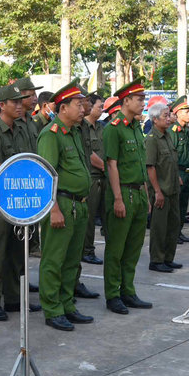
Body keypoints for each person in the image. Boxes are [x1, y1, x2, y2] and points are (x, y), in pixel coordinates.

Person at [37, 81, 94, 331]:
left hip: (78, 204)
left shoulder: (74, 132)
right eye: (78, 105)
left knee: (72, 260)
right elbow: (45, 175)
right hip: (61, 203)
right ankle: (52, 309)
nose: (83, 109)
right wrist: (53, 209)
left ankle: (67, 304)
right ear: (63, 108)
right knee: (54, 259)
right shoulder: (51, 135)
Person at [0, 85, 40, 321]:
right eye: (14, 102)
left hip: (21, 201)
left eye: (20, 101)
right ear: (1, 105)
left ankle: (14, 298)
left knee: (18, 253)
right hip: (0, 202)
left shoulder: (22, 130)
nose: (19, 105)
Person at [102, 78, 152, 314]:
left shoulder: (135, 128)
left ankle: (128, 291)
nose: (143, 103)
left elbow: (140, 165)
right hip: (123, 193)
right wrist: (118, 199)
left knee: (133, 247)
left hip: (139, 193)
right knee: (116, 248)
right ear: (126, 101)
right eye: (139, 99)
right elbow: (111, 165)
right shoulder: (114, 128)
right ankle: (113, 295)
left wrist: (146, 196)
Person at [145, 102, 182, 273]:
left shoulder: (167, 136)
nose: (169, 119)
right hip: (162, 191)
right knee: (159, 228)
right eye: (165, 116)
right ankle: (157, 260)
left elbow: (170, 162)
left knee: (173, 226)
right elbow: (150, 167)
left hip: (172, 189)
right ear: (155, 119)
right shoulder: (152, 139)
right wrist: (157, 191)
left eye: (169, 115)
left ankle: (168, 258)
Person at [79, 93, 105, 269]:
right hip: (92, 177)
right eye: (99, 106)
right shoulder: (82, 127)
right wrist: (105, 167)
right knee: (88, 219)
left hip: (104, 177)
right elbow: (88, 153)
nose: (101, 109)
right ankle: (87, 250)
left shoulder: (102, 127)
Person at [168, 96, 189, 244]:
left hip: (186, 171)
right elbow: (170, 155)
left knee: (183, 205)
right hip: (177, 171)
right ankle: (173, 233)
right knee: (175, 206)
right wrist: (175, 175)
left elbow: (188, 153)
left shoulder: (185, 131)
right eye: (186, 112)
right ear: (178, 113)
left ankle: (179, 231)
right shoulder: (173, 131)